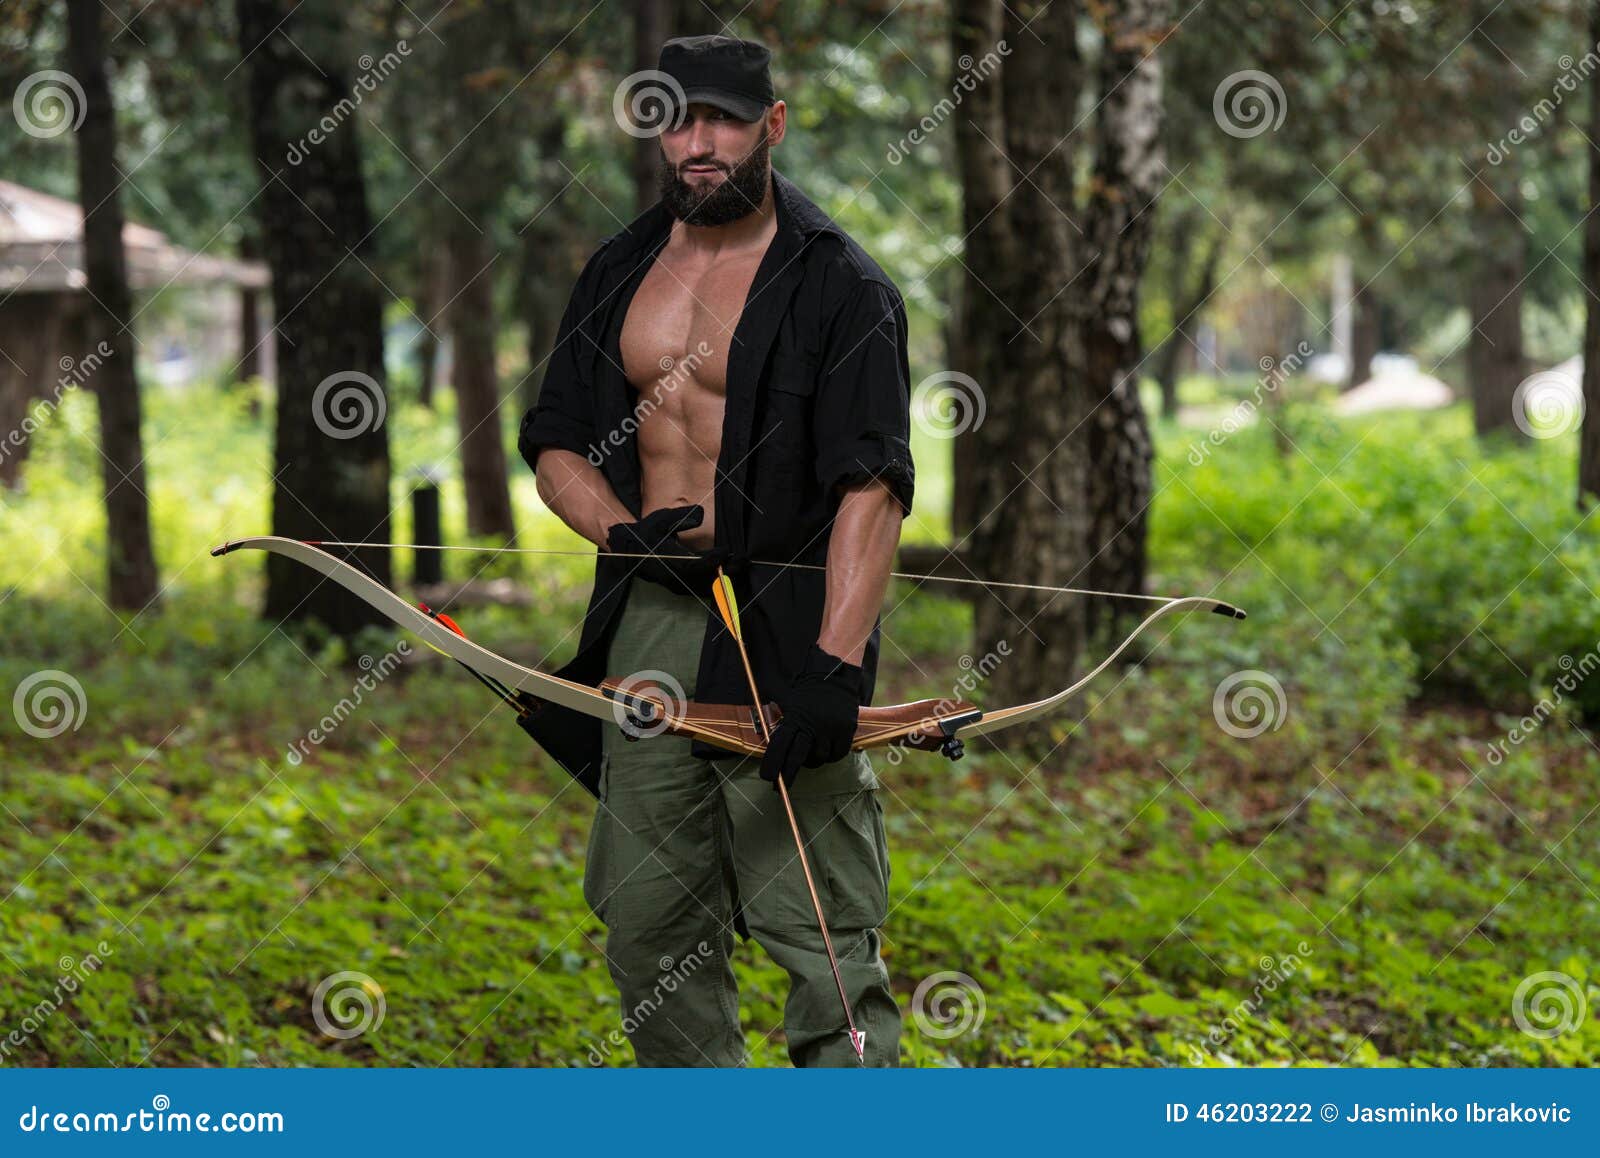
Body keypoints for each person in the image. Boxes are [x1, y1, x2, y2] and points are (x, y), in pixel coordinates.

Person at [518, 33, 914, 1067]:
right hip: (651, 621)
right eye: (676, 120)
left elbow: (872, 487)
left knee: (821, 941)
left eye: (724, 120)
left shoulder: (841, 285)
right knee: (648, 929)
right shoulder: (617, 270)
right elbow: (556, 439)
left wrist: (833, 669)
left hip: (786, 629)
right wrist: (619, 532)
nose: (698, 143)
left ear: (771, 126)